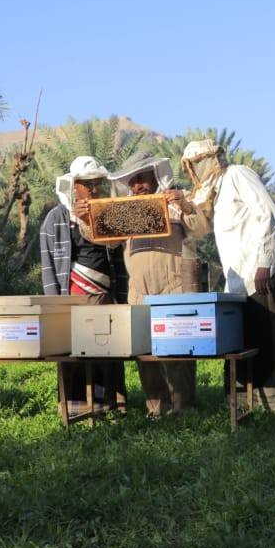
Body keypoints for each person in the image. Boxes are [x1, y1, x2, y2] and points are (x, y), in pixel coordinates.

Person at [180, 139, 275, 411]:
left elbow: (267, 213)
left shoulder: (238, 175)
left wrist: (264, 263)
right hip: (238, 281)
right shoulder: (217, 191)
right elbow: (198, 219)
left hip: (262, 274)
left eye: (196, 165)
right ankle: (248, 404)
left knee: (270, 341)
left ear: (208, 160)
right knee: (245, 341)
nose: (194, 173)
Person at [110, 151, 211, 416]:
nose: (137, 185)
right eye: (132, 181)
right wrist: (88, 218)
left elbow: (201, 229)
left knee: (179, 350)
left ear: (155, 176)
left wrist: (185, 203)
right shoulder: (124, 211)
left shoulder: (176, 201)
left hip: (173, 288)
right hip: (138, 292)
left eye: (142, 178)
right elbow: (106, 240)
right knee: (144, 353)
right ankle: (156, 409)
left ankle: (183, 409)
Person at [40, 155, 128, 415]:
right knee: (74, 352)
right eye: (87, 184)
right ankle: (75, 405)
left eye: (97, 183)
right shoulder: (56, 218)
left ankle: (109, 403)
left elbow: (118, 252)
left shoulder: (107, 212)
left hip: (104, 294)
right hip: (72, 296)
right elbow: (48, 265)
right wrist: (54, 305)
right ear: (73, 185)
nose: (93, 188)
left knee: (107, 349)